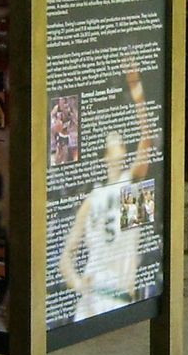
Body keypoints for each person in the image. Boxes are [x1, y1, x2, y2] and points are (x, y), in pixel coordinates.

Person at [58, 63, 154, 321]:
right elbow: (65, 256)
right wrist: (77, 283)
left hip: (122, 298)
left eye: (120, 140)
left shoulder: (130, 187)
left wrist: (137, 92)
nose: (119, 142)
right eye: (113, 140)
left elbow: (147, 141)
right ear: (105, 155)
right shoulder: (92, 200)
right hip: (94, 298)